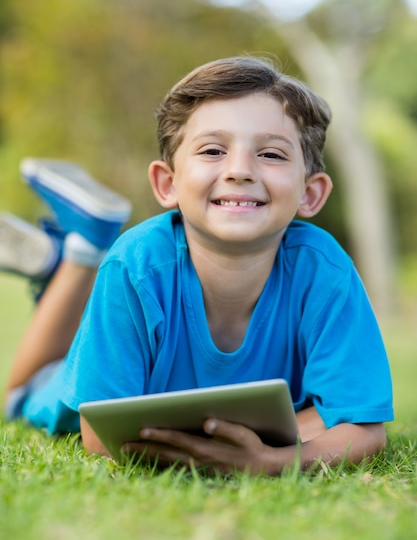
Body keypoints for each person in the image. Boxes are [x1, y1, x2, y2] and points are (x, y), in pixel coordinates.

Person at [1, 56, 393, 475]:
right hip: (74, 369)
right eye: (212, 150)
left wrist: (271, 461)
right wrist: (306, 427)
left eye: (272, 154)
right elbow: (102, 439)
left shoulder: (324, 270)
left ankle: (71, 258)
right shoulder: (134, 264)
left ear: (310, 194)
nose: (240, 170)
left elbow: (363, 429)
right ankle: (79, 257)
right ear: (168, 184)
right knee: (20, 394)